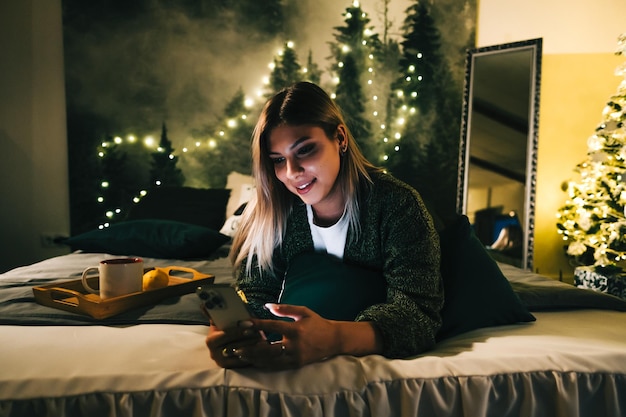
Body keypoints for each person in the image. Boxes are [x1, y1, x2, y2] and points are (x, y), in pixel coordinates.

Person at [205, 81, 443, 370]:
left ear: (340, 138)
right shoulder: (269, 212)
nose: (292, 173)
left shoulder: (397, 204)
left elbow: (418, 315)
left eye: (305, 150)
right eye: (278, 160)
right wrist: (233, 333)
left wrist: (335, 338)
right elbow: (256, 294)